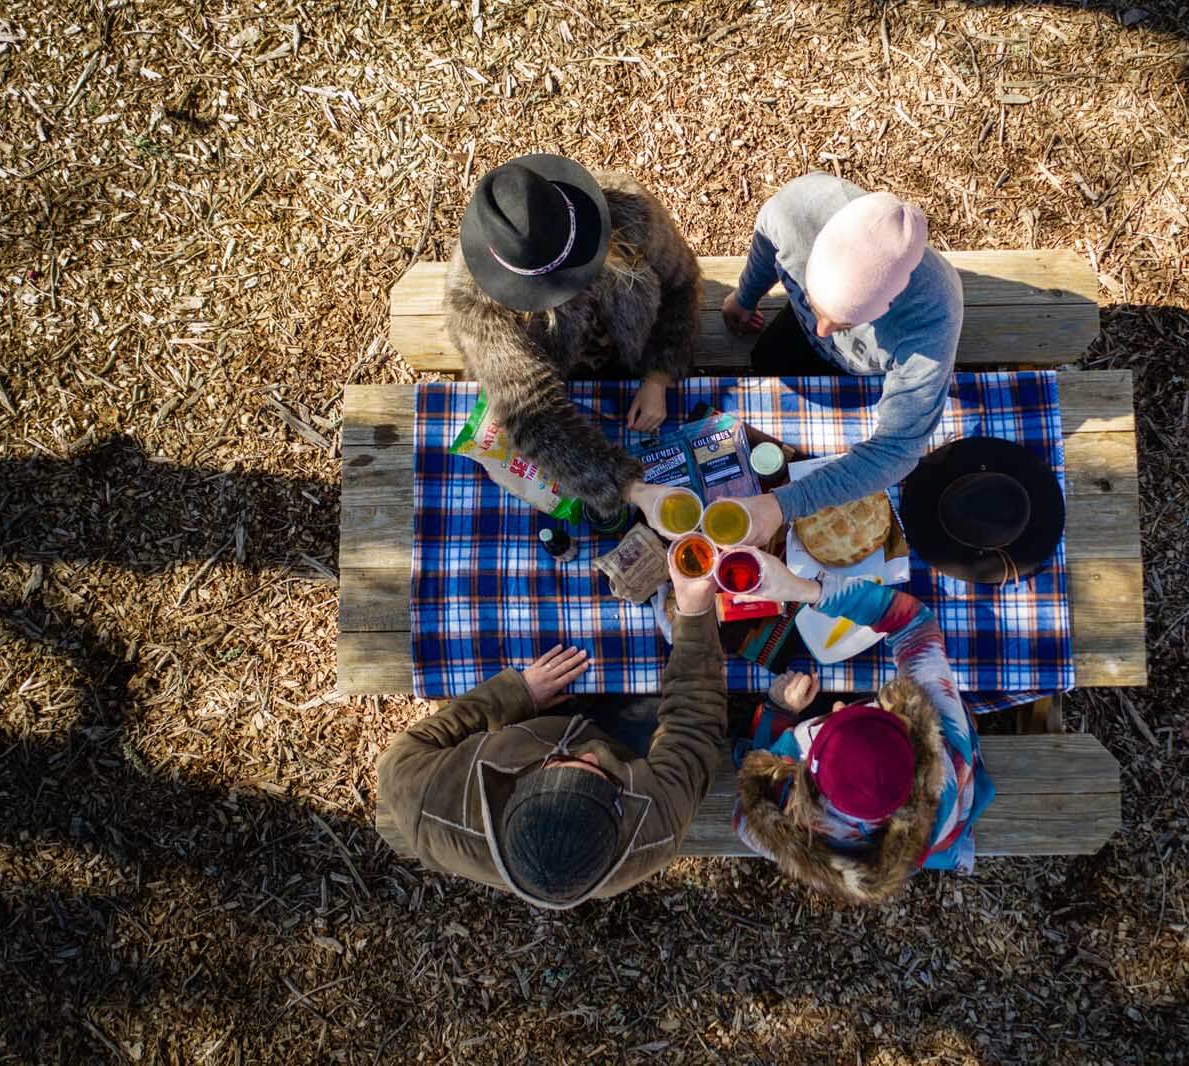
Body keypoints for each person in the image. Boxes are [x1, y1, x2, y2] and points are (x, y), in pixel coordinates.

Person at [373, 564, 726, 909]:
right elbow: (695, 724)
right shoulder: (652, 831)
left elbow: (406, 750)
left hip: (531, 719)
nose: (591, 754)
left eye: (563, 763)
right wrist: (695, 615)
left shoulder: (429, 806)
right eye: (607, 777)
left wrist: (515, 694)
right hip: (623, 734)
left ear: (510, 789)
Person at [727, 552, 995, 904]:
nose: (838, 706)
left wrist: (779, 712)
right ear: (913, 742)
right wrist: (806, 590)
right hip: (943, 818)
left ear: (806, 773)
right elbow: (913, 624)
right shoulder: (945, 735)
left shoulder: (777, 828)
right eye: (865, 711)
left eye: (825, 724)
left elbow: (748, 797)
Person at [447, 153, 700, 519]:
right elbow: (534, 416)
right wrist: (629, 487)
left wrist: (659, 374)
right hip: (559, 383)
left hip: (635, 361)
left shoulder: (629, 209)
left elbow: (682, 285)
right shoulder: (474, 302)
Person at [718, 174, 962, 543]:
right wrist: (745, 297)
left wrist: (784, 505)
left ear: (892, 304)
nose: (823, 330)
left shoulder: (932, 321)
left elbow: (896, 450)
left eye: (846, 322)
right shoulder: (798, 207)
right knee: (766, 355)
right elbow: (767, 242)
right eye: (815, 303)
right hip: (795, 338)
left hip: (862, 374)